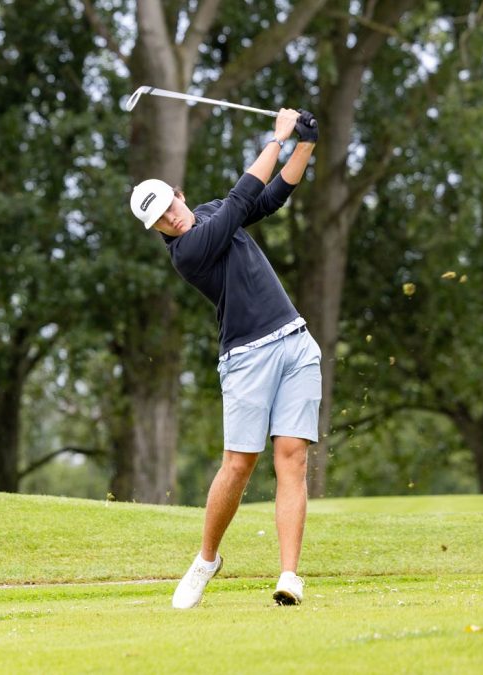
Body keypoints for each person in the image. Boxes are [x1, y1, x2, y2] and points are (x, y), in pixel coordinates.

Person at [129, 108, 322, 608]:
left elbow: (271, 195)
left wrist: (305, 144)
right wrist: (276, 138)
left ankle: (289, 576)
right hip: (246, 358)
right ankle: (207, 558)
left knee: (293, 458)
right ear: (156, 229)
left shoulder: (213, 210)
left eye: (168, 206)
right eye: (159, 221)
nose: (169, 219)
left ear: (178, 192)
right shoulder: (188, 251)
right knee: (239, 465)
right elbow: (242, 197)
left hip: (294, 341)